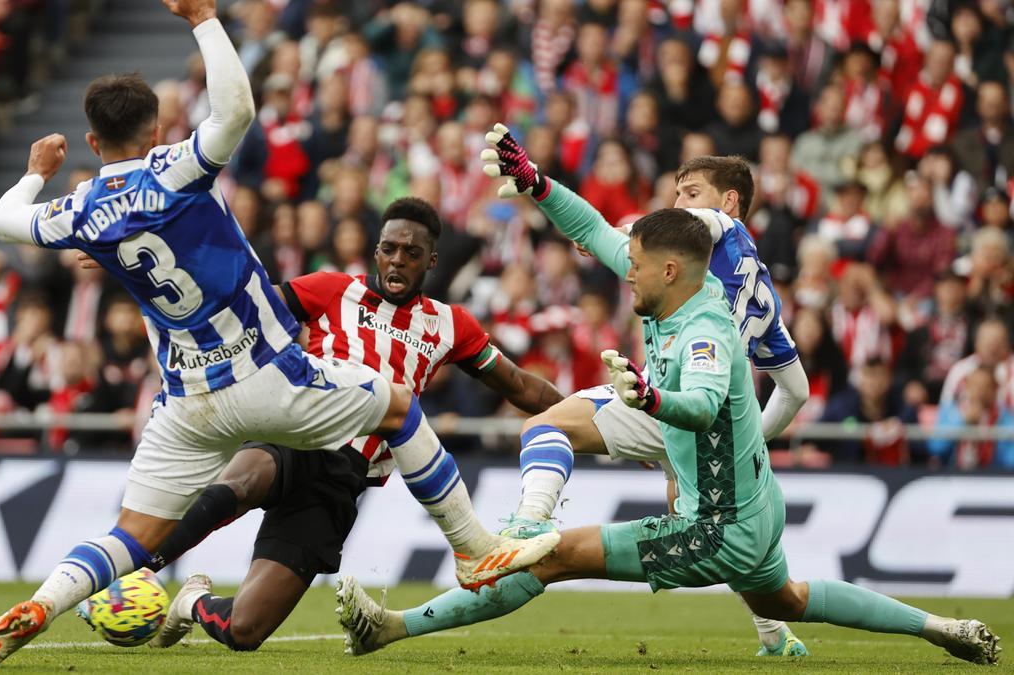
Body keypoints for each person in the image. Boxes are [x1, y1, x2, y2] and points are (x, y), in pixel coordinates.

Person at [0, 2, 557, 669]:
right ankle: (471, 547)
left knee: (130, 537)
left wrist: (38, 169)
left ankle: (41, 604)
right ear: (156, 128)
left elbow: (6, 219)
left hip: (186, 400)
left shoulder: (81, 210)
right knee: (394, 405)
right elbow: (235, 111)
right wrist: (205, 19)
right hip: (264, 374)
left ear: (92, 144)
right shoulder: (173, 169)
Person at [337, 193, 1002, 667]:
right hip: (757, 506)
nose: (624, 268)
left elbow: (704, 404)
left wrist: (652, 397)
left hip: (717, 525)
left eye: (635, 262)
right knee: (791, 598)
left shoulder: (707, 329)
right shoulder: (674, 292)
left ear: (671, 268)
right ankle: (942, 627)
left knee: (552, 558)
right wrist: (539, 184)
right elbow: (593, 228)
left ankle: (393, 627)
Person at [104, 196, 566, 652]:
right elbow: (248, 311)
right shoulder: (332, 289)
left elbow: (522, 388)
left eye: (412, 252)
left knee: (245, 631)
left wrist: (587, 417)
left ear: (431, 260)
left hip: (343, 481)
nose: (398, 260)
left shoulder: (451, 324)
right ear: (376, 251)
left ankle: (191, 602)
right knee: (244, 482)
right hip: (298, 430)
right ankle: (134, 566)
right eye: (389, 248)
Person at [483, 136, 810, 654]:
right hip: (712, 428)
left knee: (549, 426)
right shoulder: (762, 290)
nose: (680, 205)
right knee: (710, 533)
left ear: (728, 201)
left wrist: (559, 196)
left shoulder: (718, 230)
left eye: (691, 193)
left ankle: (529, 523)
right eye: (676, 193)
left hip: (672, 401)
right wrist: (753, 441)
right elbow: (796, 390)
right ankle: (774, 633)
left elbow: (612, 228)